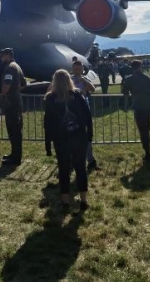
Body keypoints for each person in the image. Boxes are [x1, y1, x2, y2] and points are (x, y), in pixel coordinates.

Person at [44, 69, 92, 212]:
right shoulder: (77, 95)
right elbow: (87, 115)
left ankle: (65, 201)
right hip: (79, 137)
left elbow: (48, 122)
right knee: (80, 168)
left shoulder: (50, 98)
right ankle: (83, 200)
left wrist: (48, 144)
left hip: (61, 139)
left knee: (64, 169)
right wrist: (89, 135)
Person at [121, 61, 150, 164]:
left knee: (143, 130)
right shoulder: (147, 78)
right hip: (149, 106)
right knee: (147, 127)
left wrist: (126, 106)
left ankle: (147, 152)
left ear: (132, 68)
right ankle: (148, 147)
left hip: (139, 106)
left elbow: (125, 94)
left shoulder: (129, 79)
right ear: (141, 67)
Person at [0, 48, 26, 166]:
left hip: (12, 103)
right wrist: (15, 91)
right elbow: (24, 84)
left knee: (13, 130)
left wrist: (4, 95)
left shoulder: (10, 67)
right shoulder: (17, 66)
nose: (1, 58)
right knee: (15, 129)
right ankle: (14, 154)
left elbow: (6, 85)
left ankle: (16, 158)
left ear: (7, 55)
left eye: (2, 56)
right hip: (16, 101)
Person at [70, 61, 98, 170]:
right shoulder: (69, 80)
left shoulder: (85, 79)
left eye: (79, 69)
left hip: (84, 111)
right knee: (72, 137)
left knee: (86, 137)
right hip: (72, 112)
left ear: (82, 69)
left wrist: (84, 81)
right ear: (72, 69)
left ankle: (90, 160)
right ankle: (72, 160)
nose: (77, 71)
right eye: (75, 69)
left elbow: (93, 89)